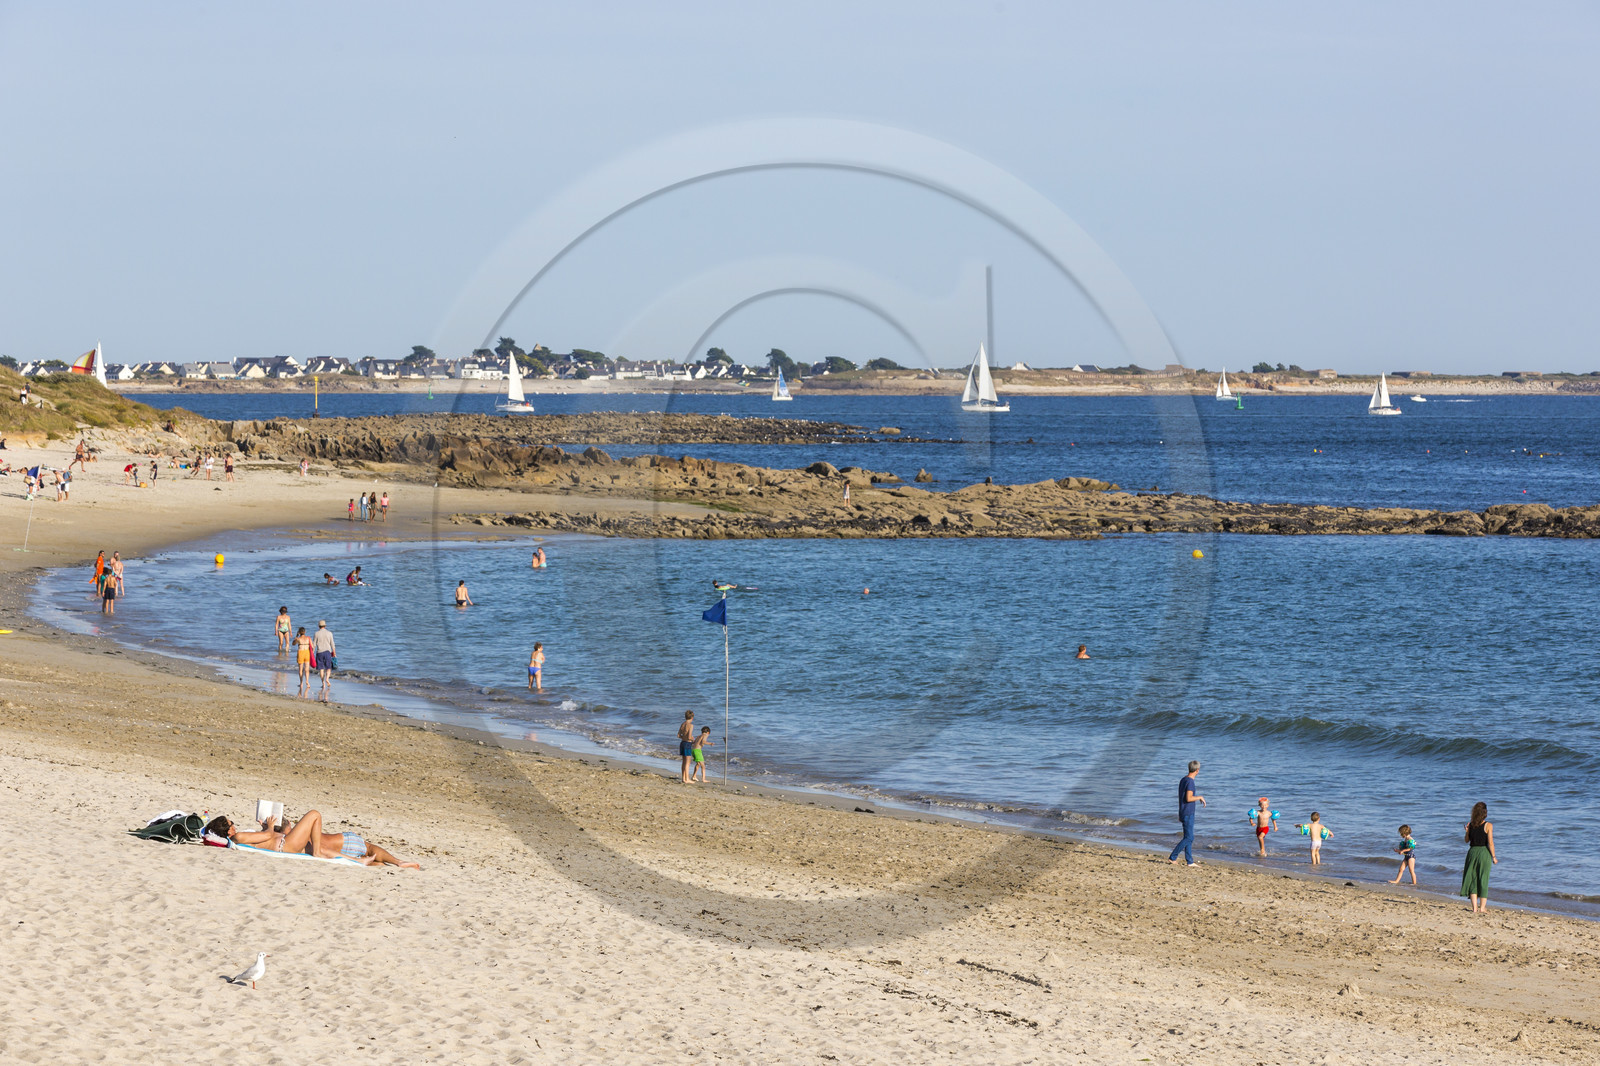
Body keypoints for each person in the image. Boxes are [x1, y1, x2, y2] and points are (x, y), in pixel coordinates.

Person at [204, 812, 419, 868]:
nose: (234, 824)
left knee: (325, 847)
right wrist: (269, 825)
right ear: (229, 830)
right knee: (315, 814)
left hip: (285, 845)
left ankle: (381, 864)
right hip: (285, 846)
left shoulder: (240, 838)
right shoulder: (239, 837)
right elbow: (269, 836)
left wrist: (265, 829)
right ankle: (317, 852)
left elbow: (263, 840)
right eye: (231, 823)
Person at [1461, 801, 1497, 913]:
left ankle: (1474, 908)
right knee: (1483, 878)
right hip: (1483, 853)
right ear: (1485, 812)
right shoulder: (1488, 825)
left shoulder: (1471, 824)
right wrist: (1494, 856)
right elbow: (1490, 843)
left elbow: (1466, 841)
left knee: (1473, 879)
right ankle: (1482, 908)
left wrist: (1467, 832)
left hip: (1472, 852)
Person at [1168, 761, 1205, 865]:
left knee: (1188, 837)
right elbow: (1188, 798)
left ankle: (1189, 861)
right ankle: (1173, 857)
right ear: (1197, 770)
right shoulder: (1190, 782)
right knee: (1189, 837)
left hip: (1184, 811)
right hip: (1188, 812)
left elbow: (1181, 798)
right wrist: (1200, 797)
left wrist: (1180, 812)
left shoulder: (1183, 779)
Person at [312, 620, 337, 703]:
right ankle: (327, 678)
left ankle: (323, 683)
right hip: (327, 652)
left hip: (319, 652)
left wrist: (312, 652)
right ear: (325, 626)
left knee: (321, 669)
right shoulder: (329, 633)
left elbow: (314, 644)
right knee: (328, 667)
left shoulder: (316, 633)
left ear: (319, 626)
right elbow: (332, 643)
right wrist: (334, 652)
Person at [293, 625, 312, 698]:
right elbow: (312, 647)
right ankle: (307, 681)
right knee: (307, 669)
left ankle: (301, 683)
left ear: (299, 632)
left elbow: (293, 644)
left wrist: (296, 636)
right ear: (305, 632)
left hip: (301, 652)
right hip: (307, 652)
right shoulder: (308, 638)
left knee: (301, 669)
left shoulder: (298, 639)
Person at [678, 710, 696, 784]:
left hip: (682, 743)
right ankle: (687, 778)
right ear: (692, 717)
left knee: (684, 762)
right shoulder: (691, 725)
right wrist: (693, 739)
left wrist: (684, 737)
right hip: (687, 744)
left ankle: (683, 778)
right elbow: (689, 736)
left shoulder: (683, 724)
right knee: (688, 762)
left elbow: (678, 735)